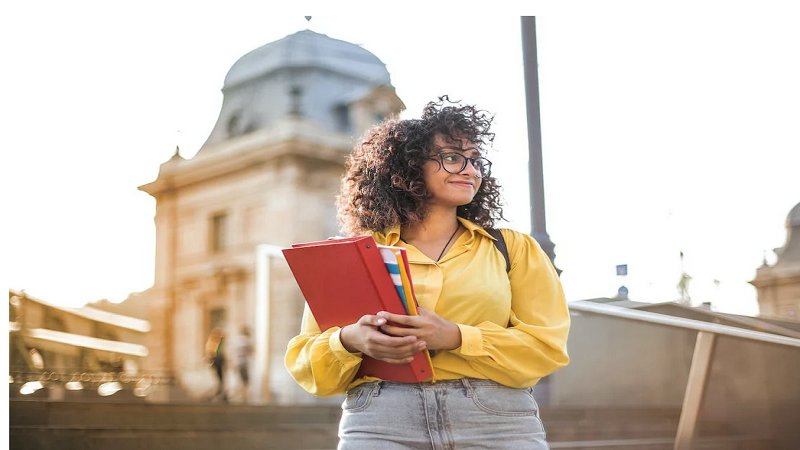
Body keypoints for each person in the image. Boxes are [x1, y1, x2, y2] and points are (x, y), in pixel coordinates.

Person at [285, 96, 570, 449]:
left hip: (496, 421)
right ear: (408, 166)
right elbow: (307, 363)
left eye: (476, 160)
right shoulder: (355, 256)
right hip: (380, 421)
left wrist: (455, 336)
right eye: (452, 157)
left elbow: (547, 348)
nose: (470, 170)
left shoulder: (513, 248)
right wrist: (350, 340)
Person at [205, 327, 227, 402]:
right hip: (217, 361)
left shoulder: (214, 342)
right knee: (220, 378)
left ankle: (220, 392)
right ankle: (220, 392)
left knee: (220, 378)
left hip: (217, 361)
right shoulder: (216, 342)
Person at [233, 325, 254, 403]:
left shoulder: (237, 341)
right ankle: (245, 397)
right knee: (246, 381)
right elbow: (251, 351)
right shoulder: (246, 341)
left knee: (241, 380)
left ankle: (241, 396)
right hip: (244, 363)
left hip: (238, 363)